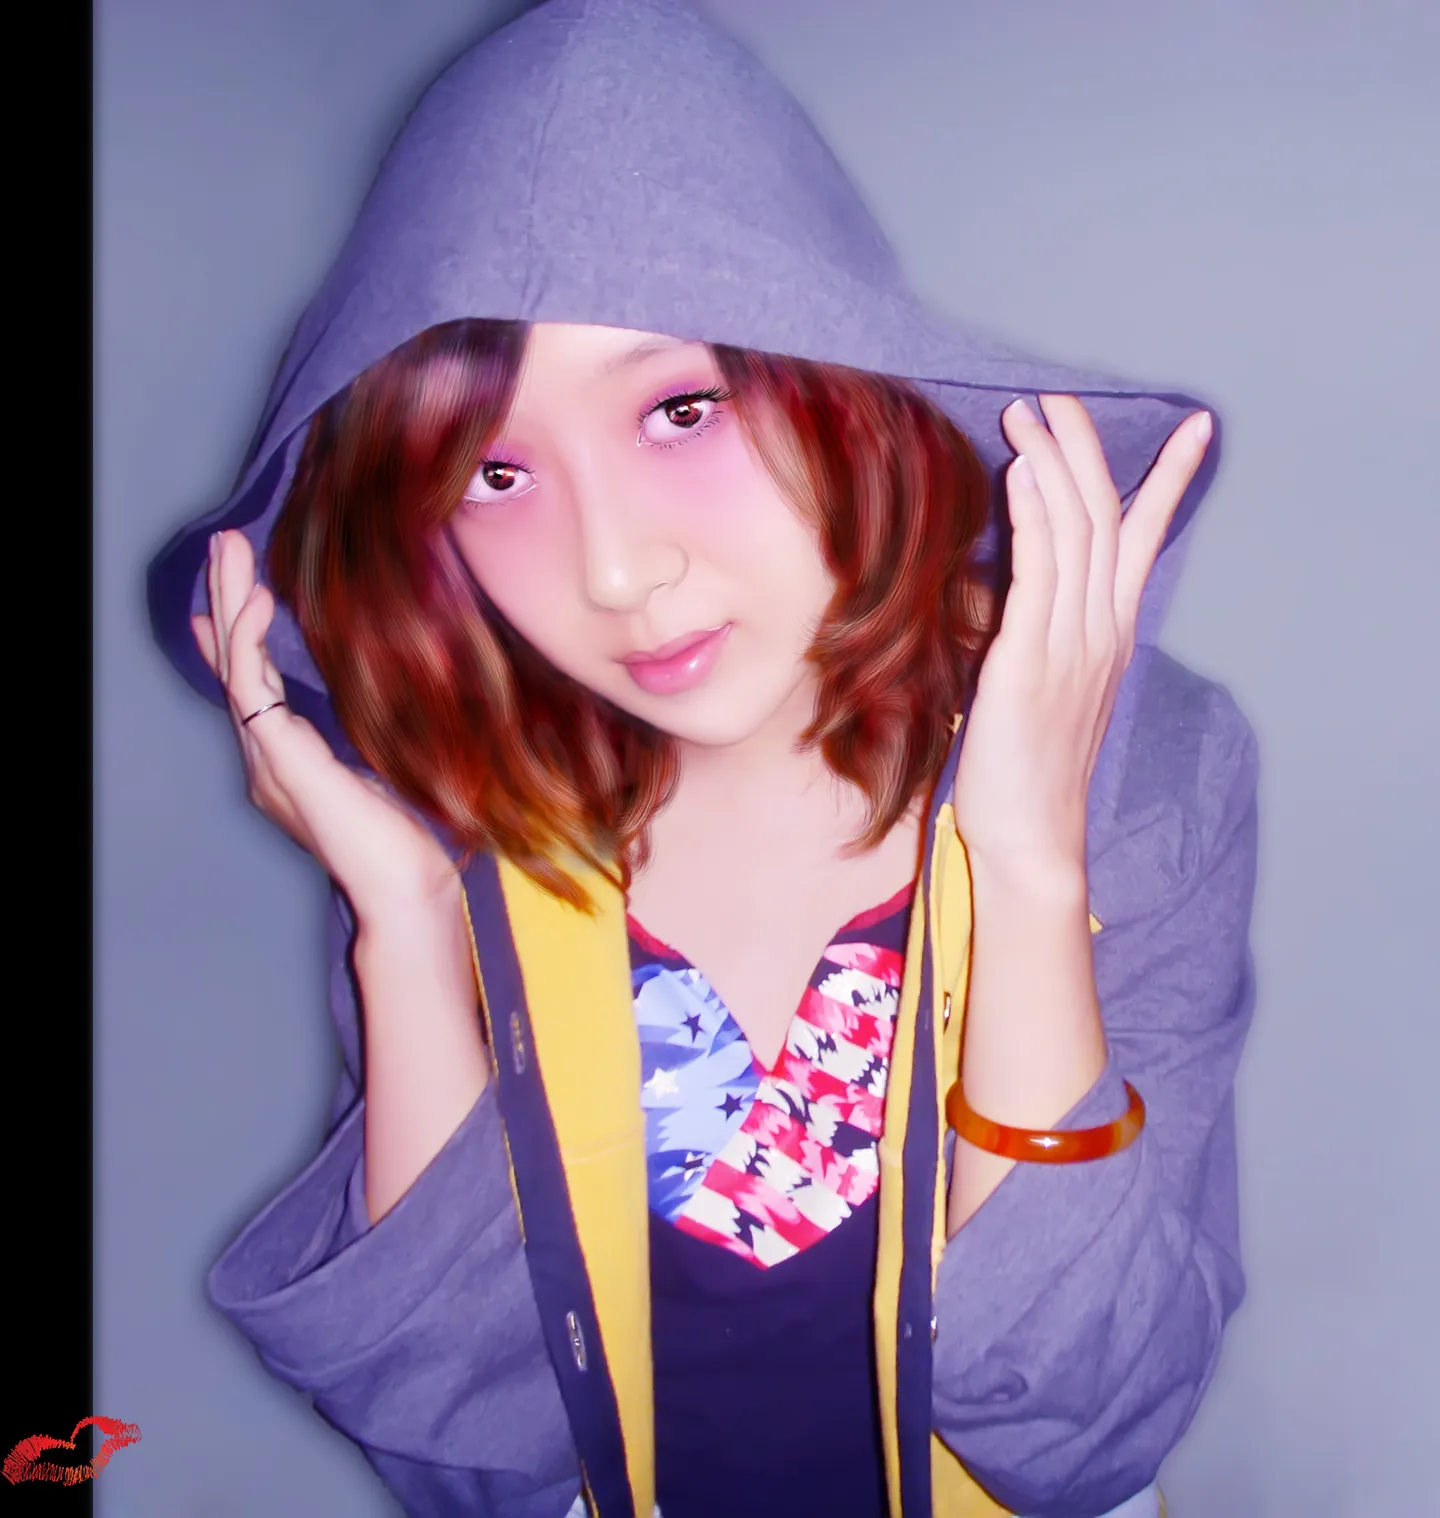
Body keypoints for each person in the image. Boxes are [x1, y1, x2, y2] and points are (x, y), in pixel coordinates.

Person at [147, 3, 1259, 1516]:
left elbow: (1083, 1430)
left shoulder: (1153, 776)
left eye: (681, 409)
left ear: (842, 386)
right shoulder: (464, 832)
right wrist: (402, 930)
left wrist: (1029, 866)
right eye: (494, 473)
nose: (615, 571)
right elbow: (476, 1467)